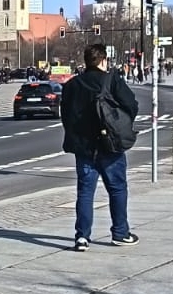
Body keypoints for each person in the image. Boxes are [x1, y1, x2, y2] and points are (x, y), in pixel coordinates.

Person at [60, 42, 140, 251]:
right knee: (117, 189)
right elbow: (132, 105)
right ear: (103, 60)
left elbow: (66, 116)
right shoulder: (111, 80)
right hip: (109, 145)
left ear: (87, 62)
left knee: (85, 192)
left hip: (84, 148)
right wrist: (120, 123)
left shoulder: (72, 85)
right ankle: (120, 233)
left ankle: (82, 237)